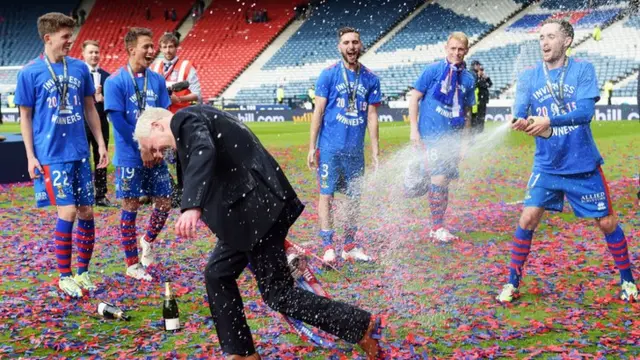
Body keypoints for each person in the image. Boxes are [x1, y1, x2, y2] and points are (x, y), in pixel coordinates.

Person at [133, 105, 383, 360]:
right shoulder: (196, 121)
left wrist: (192, 205)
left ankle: (360, 325)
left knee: (279, 294)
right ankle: (241, 352)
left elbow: (202, 151)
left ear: (156, 125)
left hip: (257, 213)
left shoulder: (184, 120)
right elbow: (201, 169)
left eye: (152, 147)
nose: (157, 153)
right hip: (247, 217)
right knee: (217, 274)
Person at [496, 19, 638, 303]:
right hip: (547, 165)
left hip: (582, 165)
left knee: (607, 223)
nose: (544, 42)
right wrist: (520, 121)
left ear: (567, 40)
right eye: (540, 37)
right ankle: (512, 282)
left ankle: (628, 281)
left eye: (550, 36)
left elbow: (585, 112)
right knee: (527, 217)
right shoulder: (529, 77)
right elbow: (520, 109)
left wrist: (550, 121)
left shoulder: (583, 70)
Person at [14, 12, 108, 297]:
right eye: (66, 37)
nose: (71, 41)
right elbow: (25, 117)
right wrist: (30, 156)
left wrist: (102, 144)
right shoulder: (29, 73)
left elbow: (90, 108)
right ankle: (64, 275)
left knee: (87, 212)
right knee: (67, 211)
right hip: (51, 155)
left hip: (79, 151)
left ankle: (83, 272)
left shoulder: (79, 68)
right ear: (48, 38)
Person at [307, 27, 380, 264]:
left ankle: (349, 245)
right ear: (340, 47)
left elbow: (372, 117)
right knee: (326, 195)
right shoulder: (328, 75)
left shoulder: (371, 78)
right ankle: (328, 246)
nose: (351, 47)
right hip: (329, 148)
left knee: (353, 198)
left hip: (355, 152)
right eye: (347, 42)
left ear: (361, 45)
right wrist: (311, 147)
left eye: (355, 42)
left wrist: (376, 151)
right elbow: (318, 112)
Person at [104, 27, 172, 280]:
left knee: (165, 202)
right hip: (130, 156)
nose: (151, 50)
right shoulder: (115, 81)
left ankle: (147, 240)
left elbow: (164, 116)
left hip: (155, 154)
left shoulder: (157, 80)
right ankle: (132, 264)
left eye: (152, 46)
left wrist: (159, 147)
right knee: (130, 205)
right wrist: (143, 146)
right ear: (132, 49)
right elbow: (118, 122)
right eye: (146, 46)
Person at [407, 32, 476, 242]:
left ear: (466, 51)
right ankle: (437, 227)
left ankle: (437, 225)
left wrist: (464, 143)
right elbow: (414, 98)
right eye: (453, 48)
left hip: (451, 139)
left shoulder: (469, 79)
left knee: (443, 182)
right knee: (438, 178)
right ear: (446, 48)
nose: (456, 52)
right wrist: (413, 129)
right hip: (430, 135)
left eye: (461, 49)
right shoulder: (433, 71)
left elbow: (466, 114)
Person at [151, 32, 202, 207]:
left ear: (176, 47)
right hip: (162, 120)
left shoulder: (187, 66)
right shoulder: (155, 66)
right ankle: (168, 191)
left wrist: (178, 99)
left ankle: (183, 192)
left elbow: (198, 95)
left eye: (171, 46)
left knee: (182, 156)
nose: (167, 50)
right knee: (161, 156)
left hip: (182, 118)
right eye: (164, 47)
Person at [81, 40, 113, 207]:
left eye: (96, 52)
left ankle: (100, 195)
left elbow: (113, 102)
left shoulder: (107, 76)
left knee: (101, 157)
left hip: (101, 122)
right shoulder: (78, 74)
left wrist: (102, 99)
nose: (94, 55)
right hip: (81, 123)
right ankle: (84, 193)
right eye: (90, 52)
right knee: (83, 159)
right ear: (84, 54)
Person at [472, 65, 492, 134]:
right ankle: (477, 129)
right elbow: (479, 85)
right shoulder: (476, 78)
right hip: (479, 100)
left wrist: (487, 79)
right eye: (481, 70)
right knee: (478, 116)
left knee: (482, 116)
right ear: (478, 71)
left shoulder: (484, 78)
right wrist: (484, 84)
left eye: (482, 70)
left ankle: (481, 129)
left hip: (484, 100)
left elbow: (490, 84)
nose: (482, 72)